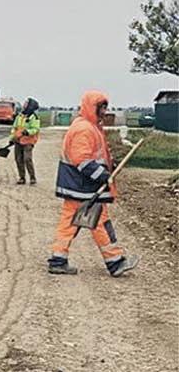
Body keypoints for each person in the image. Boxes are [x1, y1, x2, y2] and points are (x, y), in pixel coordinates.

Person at [48, 90, 139, 277]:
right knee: (100, 222)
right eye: (101, 107)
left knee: (70, 223)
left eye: (105, 107)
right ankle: (115, 263)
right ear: (92, 107)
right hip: (85, 187)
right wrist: (104, 176)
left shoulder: (87, 126)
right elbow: (82, 161)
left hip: (77, 186)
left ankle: (58, 259)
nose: (104, 111)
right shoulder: (85, 129)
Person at [11, 97, 41, 185]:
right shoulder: (19, 116)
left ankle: (32, 178)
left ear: (30, 106)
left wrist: (27, 132)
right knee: (18, 159)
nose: (24, 104)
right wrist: (12, 137)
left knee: (27, 159)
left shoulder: (34, 117)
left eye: (26, 103)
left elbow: (35, 129)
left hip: (28, 142)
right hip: (18, 141)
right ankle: (22, 178)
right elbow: (14, 128)